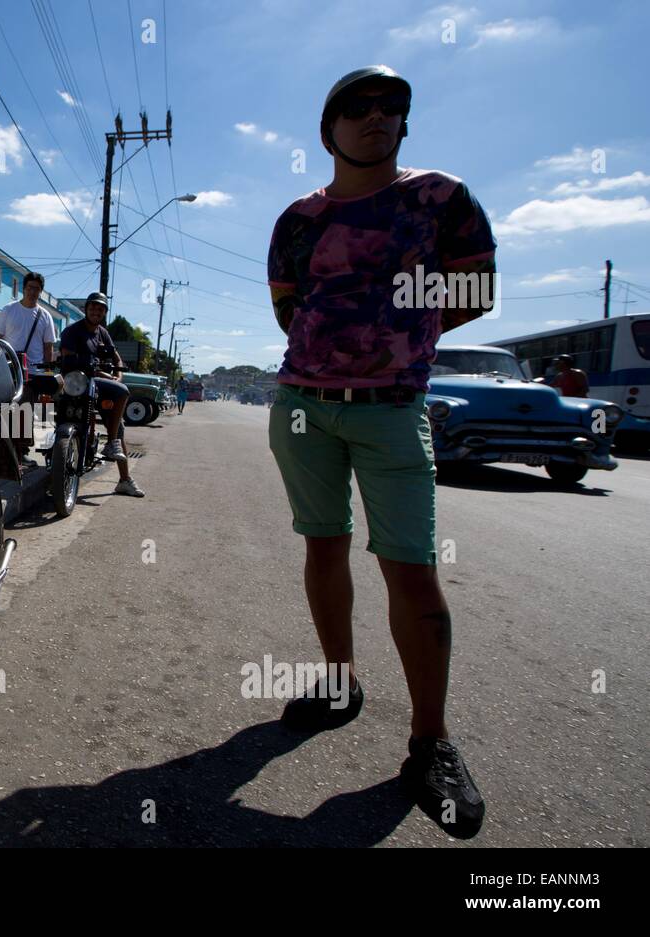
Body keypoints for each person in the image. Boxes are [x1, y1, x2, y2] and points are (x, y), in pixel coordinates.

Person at [266, 66, 496, 838]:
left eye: (393, 108)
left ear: (406, 124)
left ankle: (429, 743)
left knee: (411, 568)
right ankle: (340, 683)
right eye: (358, 108)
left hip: (395, 409)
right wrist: (336, 347)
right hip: (303, 408)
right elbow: (289, 305)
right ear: (328, 127)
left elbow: (477, 290)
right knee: (322, 546)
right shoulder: (298, 217)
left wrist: (396, 337)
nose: (378, 118)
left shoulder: (440, 199)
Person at [60, 292, 144, 497]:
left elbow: (117, 359)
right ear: (86, 309)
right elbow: (68, 359)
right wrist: (101, 373)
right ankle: (59, 463)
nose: (96, 311)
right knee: (62, 420)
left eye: (100, 309)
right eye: (93, 307)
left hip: (99, 385)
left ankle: (123, 477)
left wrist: (118, 375)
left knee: (119, 424)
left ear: (104, 312)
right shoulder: (73, 331)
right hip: (78, 384)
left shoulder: (103, 333)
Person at [0, 272, 56, 371]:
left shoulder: (46, 316)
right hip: (10, 370)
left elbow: (48, 348)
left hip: (36, 372)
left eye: (36, 289)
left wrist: (47, 372)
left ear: (41, 292)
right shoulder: (8, 309)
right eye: (30, 287)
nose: (32, 292)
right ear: (24, 288)